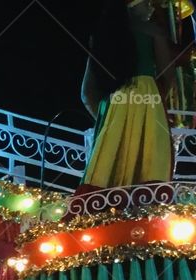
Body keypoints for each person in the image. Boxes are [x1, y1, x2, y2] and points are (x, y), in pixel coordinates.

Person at [79, 0, 175, 192]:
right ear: (131, 4)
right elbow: (168, 76)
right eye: (147, 2)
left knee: (106, 170)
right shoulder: (153, 31)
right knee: (151, 165)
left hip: (113, 104)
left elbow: (86, 93)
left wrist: (109, 122)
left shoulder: (102, 34)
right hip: (148, 102)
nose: (152, 7)